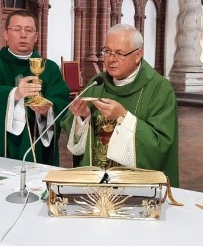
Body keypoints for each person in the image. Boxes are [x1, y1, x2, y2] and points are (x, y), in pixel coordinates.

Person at [65, 24, 179, 187]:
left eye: (119, 53)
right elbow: (73, 132)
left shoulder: (159, 89)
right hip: (94, 184)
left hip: (136, 189)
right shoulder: (97, 83)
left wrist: (123, 117)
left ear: (138, 55)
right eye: (107, 51)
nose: (111, 59)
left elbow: (161, 144)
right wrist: (82, 116)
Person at [0, 9, 70, 166]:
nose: (23, 35)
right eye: (16, 29)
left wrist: (47, 110)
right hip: (0, 144)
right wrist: (15, 93)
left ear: (36, 36)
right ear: (5, 34)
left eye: (29, 30)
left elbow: (61, 98)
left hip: (38, 146)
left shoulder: (49, 68)